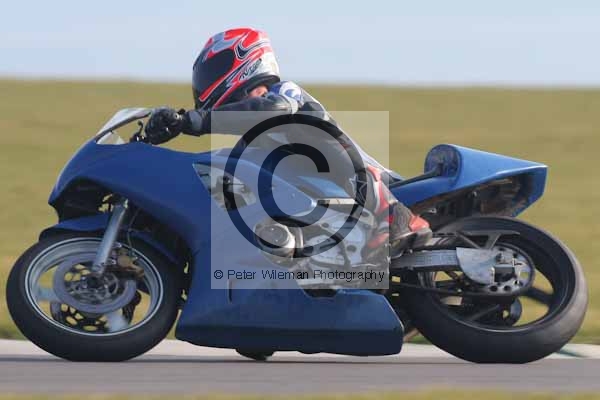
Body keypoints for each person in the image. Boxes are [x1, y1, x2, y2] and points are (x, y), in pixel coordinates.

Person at [144, 27, 431, 255]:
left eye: (212, 71)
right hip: (330, 218)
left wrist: (192, 120)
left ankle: (392, 213)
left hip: (384, 185)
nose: (205, 84)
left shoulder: (283, 94)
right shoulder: (255, 141)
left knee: (311, 133)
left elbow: (268, 111)